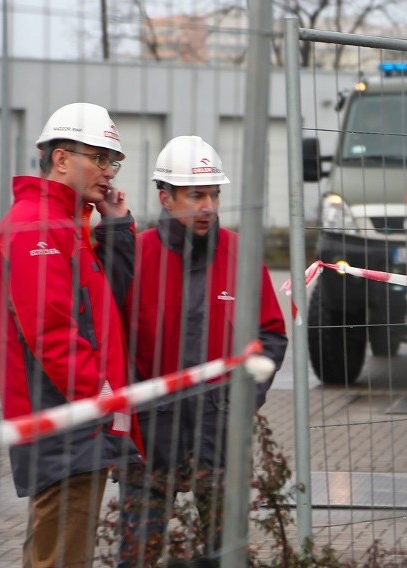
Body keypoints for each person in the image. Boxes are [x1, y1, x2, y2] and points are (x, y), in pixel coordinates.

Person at [119, 135, 288, 563]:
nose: (209, 206)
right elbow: (113, 344)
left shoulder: (242, 257)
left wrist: (239, 400)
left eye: (214, 194)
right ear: (166, 197)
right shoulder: (135, 257)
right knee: (138, 556)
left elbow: (270, 336)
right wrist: (136, 408)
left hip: (220, 439)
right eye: (196, 195)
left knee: (226, 556)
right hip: (149, 441)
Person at [0, 102, 141, 568]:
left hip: (74, 422)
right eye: (98, 158)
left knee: (61, 551)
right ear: (60, 159)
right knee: (60, 557)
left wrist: (115, 226)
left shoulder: (67, 223)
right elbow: (52, 333)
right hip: (65, 424)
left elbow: (105, 302)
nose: (109, 173)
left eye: (113, 161)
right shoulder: (41, 225)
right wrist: (101, 397)